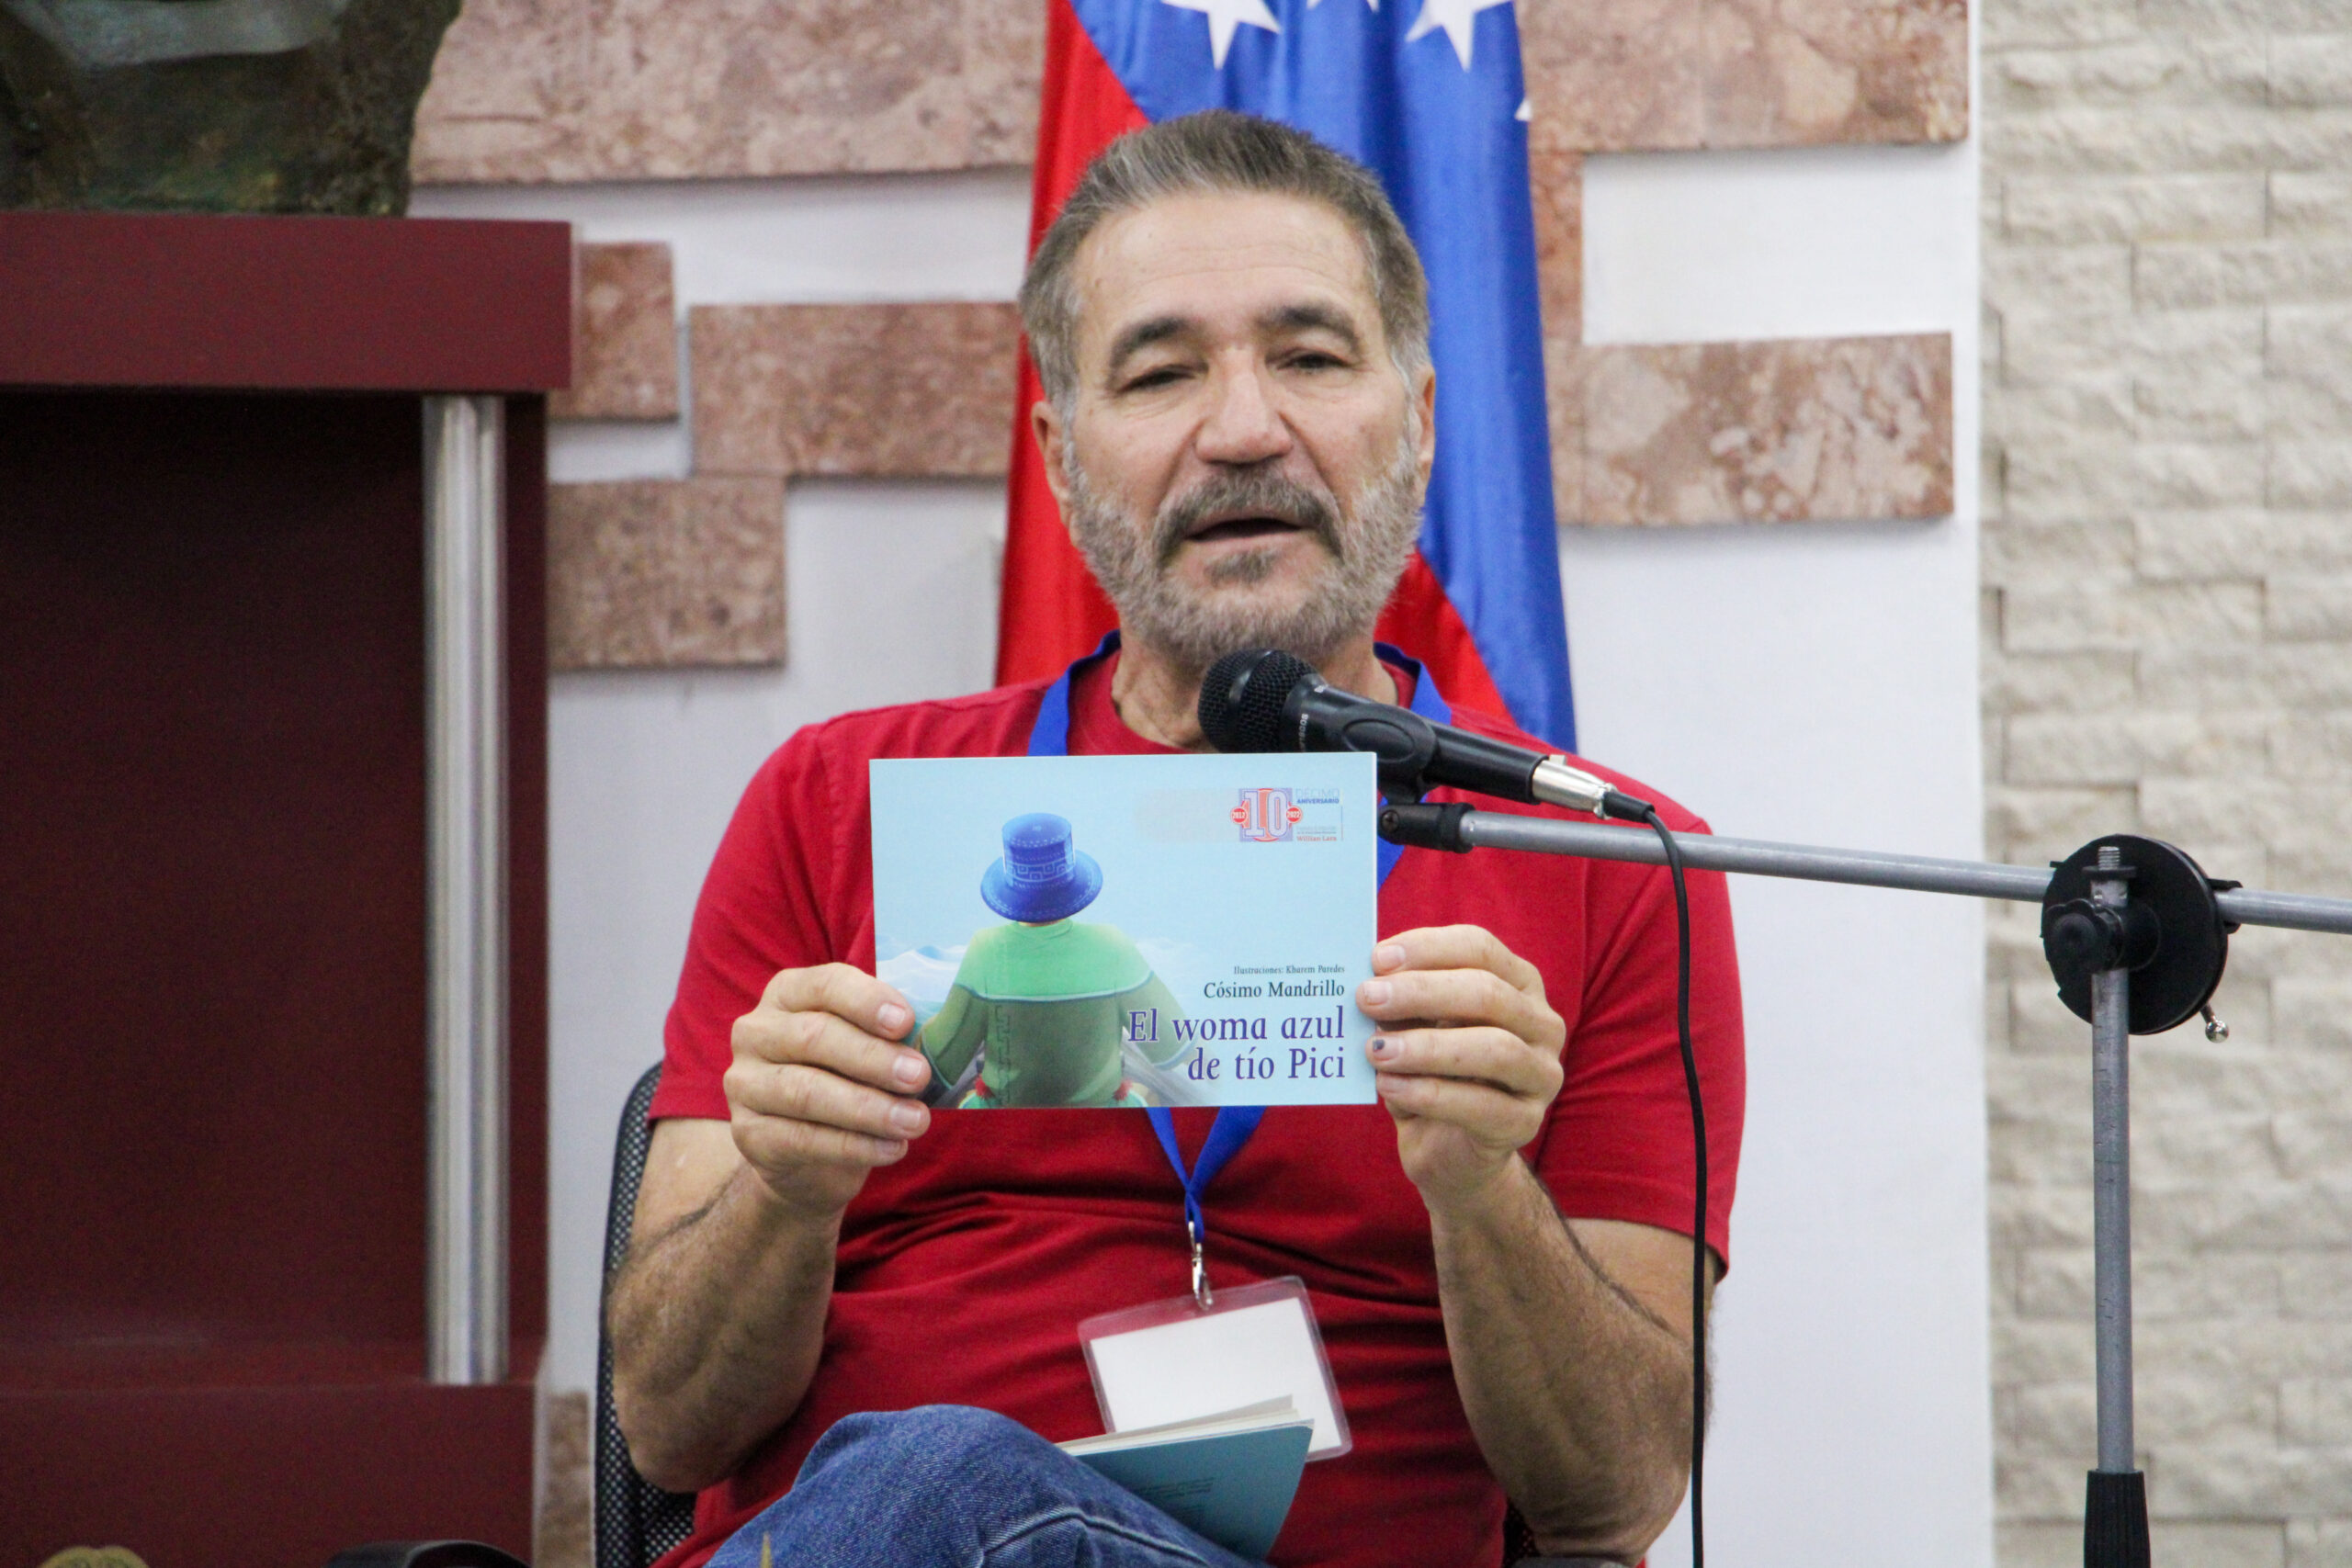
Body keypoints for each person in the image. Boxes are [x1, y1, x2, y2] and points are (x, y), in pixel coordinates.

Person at [608, 110, 1746, 1568]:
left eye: (1312, 357)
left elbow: (1617, 1494)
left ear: (1420, 417)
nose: (1242, 427)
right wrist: (787, 1187)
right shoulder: (838, 797)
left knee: (955, 1476)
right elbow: (667, 1428)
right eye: (1159, 373)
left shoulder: (1614, 863)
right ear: (1060, 447)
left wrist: (1480, 1185)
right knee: (943, 1482)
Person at [915, 811, 1186, 1108]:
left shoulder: (987, 948)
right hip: (1102, 1113)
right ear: (1072, 883)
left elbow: (942, 1056)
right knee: (1146, 1098)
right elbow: (1170, 1043)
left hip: (1006, 1116)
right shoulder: (1113, 944)